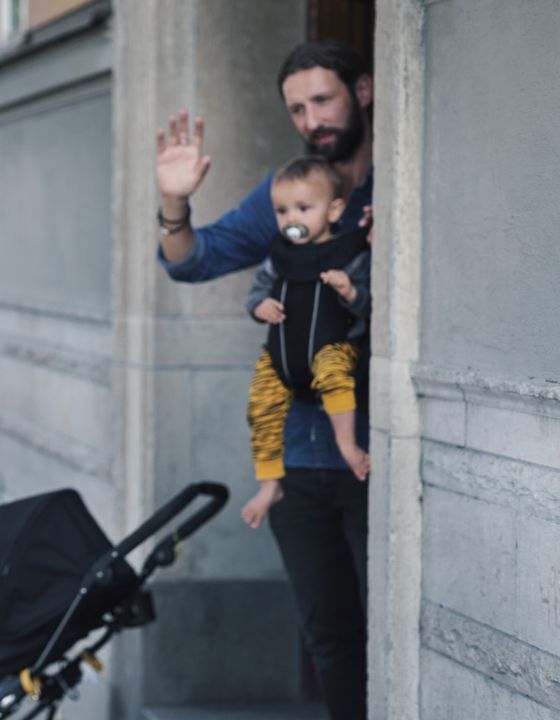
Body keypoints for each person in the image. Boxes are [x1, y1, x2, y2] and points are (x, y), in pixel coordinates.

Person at [153, 41, 373, 720]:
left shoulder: (402, 180)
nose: (312, 119)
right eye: (298, 108)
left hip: (376, 447)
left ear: (363, 91)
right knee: (331, 635)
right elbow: (192, 261)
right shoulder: (291, 193)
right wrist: (173, 202)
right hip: (303, 454)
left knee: (396, 627)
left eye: (324, 100)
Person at [241, 156, 371, 531]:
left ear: (334, 210)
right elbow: (256, 293)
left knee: (335, 377)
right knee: (261, 402)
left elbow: (368, 306)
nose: (290, 220)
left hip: (331, 348)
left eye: (303, 208)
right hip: (282, 356)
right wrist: (259, 307)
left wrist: (349, 291)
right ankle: (269, 484)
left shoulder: (350, 254)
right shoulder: (278, 256)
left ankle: (347, 445)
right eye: (282, 211)